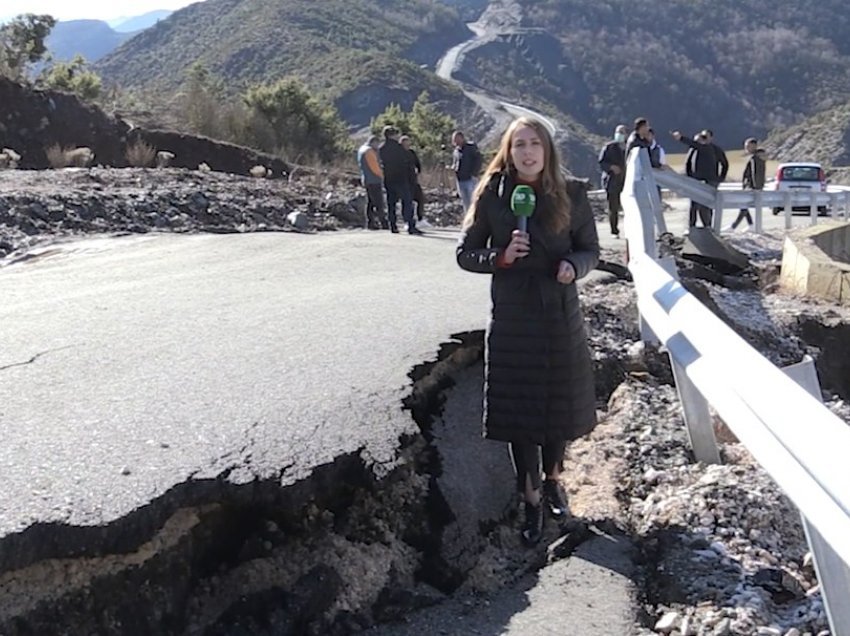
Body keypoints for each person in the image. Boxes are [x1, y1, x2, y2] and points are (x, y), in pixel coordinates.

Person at [456, 116, 599, 547]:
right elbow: (465, 254)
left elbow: (590, 249)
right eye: (519, 144)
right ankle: (530, 497)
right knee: (520, 410)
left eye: (535, 143)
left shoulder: (571, 193)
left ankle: (554, 478)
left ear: (547, 150)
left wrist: (573, 267)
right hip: (514, 314)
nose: (527, 152)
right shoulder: (492, 195)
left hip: (557, 310)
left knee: (556, 402)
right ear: (508, 150)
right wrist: (499, 256)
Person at [672, 129, 724, 228]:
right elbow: (688, 163)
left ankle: (707, 225)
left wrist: (720, 178)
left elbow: (724, 163)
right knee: (694, 204)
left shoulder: (711, 149)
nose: (702, 140)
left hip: (710, 180)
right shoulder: (694, 149)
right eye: (701, 137)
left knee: (706, 205)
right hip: (695, 180)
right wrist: (689, 177)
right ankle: (692, 225)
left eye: (705, 137)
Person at [379, 126, 422, 235]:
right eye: (396, 134)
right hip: (401, 179)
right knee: (407, 201)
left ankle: (393, 225)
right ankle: (410, 224)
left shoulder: (382, 148)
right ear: (392, 135)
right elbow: (405, 162)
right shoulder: (399, 148)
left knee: (391, 203)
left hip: (389, 179)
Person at [729, 137, 766, 231]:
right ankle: (750, 225)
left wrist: (756, 187)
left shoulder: (755, 158)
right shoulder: (757, 157)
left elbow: (756, 173)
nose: (746, 148)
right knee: (744, 206)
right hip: (751, 185)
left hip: (751, 186)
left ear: (754, 146)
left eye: (748, 146)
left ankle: (734, 226)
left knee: (743, 206)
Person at [598, 124, 627, 237]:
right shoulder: (609, 147)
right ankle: (614, 231)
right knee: (613, 208)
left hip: (626, 182)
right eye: (618, 132)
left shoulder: (629, 147)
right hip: (612, 182)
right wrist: (611, 167)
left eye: (622, 132)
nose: (620, 134)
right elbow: (602, 162)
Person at [357, 135, 388, 230]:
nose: (378, 146)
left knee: (370, 202)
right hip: (374, 179)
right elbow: (374, 167)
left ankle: (370, 222)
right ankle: (383, 222)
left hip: (366, 179)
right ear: (374, 142)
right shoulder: (369, 151)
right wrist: (382, 176)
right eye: (377, 143)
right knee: (379, 202)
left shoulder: (361, 149)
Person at [401, 135, 429, 227]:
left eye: (408, 143)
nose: (407, 145)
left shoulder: (411, 152)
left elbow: (418, 164)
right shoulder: (400, 154)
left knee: (420, 198)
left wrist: (418, 171)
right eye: (405, 143)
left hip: (414, 180)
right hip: (404, 181)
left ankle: (420, 218)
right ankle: (407, 221)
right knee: (407, 201)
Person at [451, 130, 483, 212]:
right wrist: (454, 168)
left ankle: (475, 219)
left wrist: (474, 173)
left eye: (457, 139)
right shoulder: (456, 151)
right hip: (460, 180)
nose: (456, 141)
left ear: (462, 138)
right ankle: (468, 219)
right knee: (465, 202)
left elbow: (478, 159)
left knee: (473, 200)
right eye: (454, 140)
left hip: (470, 179)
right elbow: (456, 162)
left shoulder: (470, 147)